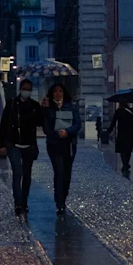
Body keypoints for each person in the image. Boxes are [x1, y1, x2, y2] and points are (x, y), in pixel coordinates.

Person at [0, 79, 43, 216]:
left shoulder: (35, 106)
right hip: (13, 144)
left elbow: (40, 123)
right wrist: (2, 144)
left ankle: (24, 201)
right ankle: (18, 203)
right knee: (17, 173)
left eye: (29, 89)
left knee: (27, 175)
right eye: (25, 88)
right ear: (20, 89)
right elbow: (4, 123)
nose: (26, 91)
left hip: (29, 145)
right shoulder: (12, 104)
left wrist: (43, 109)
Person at [42, 84, 81, 214]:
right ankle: (59, 202)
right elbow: (46, 127)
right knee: (59, 172)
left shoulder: (71, 106)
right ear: (51, 93)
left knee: (67, 173)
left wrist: (67, 132)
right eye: (55, 92)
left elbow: (77, 124)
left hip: (69, 144)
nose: (58, 94)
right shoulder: (48, 107)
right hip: (54, 144)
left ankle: (63, 197)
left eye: (60, 91)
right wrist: (45, 110)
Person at [108, 101, 133, 172]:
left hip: (121, 132)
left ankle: (124, 164)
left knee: (122, 149)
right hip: (130, 132)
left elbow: (113, 121)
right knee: (128, 149)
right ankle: (126, 163)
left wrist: (109, 130)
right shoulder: (131, 111)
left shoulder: (118, 111)